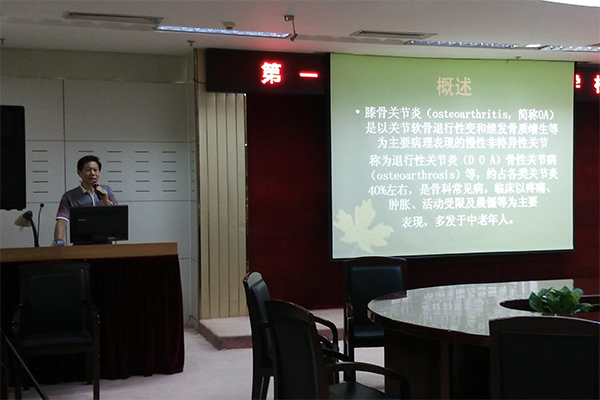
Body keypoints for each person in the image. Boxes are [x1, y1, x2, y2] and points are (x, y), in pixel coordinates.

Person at [53, 155, 118, 246]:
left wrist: (106, 201)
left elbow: (118, 215)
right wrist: (58, 241)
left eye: (95, 170)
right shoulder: (69, 196)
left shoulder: (106, 190)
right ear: (79, 173)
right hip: (81, 244)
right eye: (88, 170)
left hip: (105, 242)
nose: (92, 173)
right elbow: (62, 221)